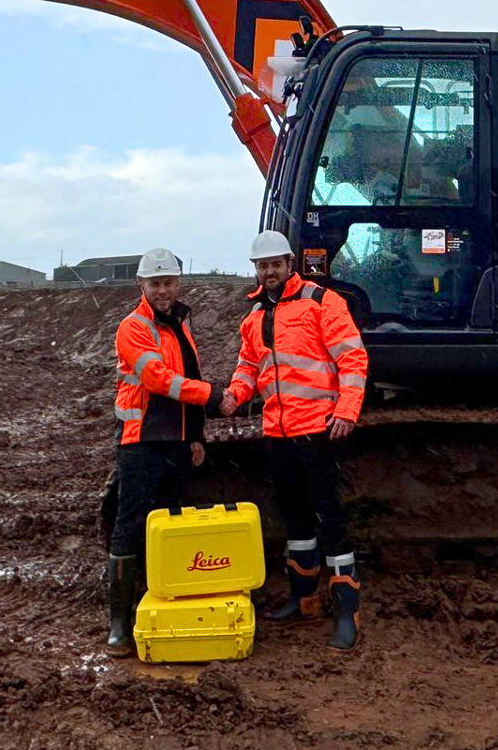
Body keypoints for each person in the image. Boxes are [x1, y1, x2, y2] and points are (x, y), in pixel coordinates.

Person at [220, 230, 371, 652]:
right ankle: (302, 600)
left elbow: (352, 357)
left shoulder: (322, 302)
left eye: (275, 264)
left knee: (330, 519)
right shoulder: (253, 318)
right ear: (256, 270)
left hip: (317, 428)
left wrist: (346, 410)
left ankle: (346, 610)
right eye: (262, 266)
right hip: (278, 432)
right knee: (296, 520)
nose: (268, 272)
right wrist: (235, 395)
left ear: (290, 263)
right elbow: (250, 367)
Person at [103, 247, 221, 657]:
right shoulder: (134, 327)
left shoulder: (179, 327)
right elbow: (159, 381)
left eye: (169, 282)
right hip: (140, 442)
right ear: (142, 285)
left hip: (175, 441)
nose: (163, 290)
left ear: (179, 283)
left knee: (171, 524)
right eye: (156, 283)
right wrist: (213, 396)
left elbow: (187, 381)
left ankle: (166, 601)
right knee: (130, 524)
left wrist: (196, 437)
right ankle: (119, 621)